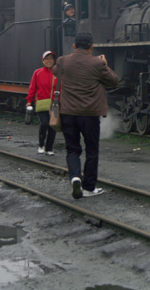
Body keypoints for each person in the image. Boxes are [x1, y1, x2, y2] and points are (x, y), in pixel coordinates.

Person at [53, 32, 119, 199]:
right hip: (89, 114)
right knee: (92, 150)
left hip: (68, 112)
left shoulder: (63, 61)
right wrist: (105, 64)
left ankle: (75, 177)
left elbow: (55, 72)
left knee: (72, 149)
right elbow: (113, 81)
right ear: (92, 47)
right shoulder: (97, 63)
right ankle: (89, 187)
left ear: (74, 46)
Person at [26, 51, 58, 156]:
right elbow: (32, 88)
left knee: (53, 126)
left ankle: (49, 148)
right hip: (42, 103)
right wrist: (29, 101)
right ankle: (41, 145)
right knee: (44, 124)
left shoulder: (57, 73)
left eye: (51, 59)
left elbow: (62, 88)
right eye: (47, 59)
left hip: (55, 104)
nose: (49, 61)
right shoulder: (37, 73)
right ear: (43, 60)